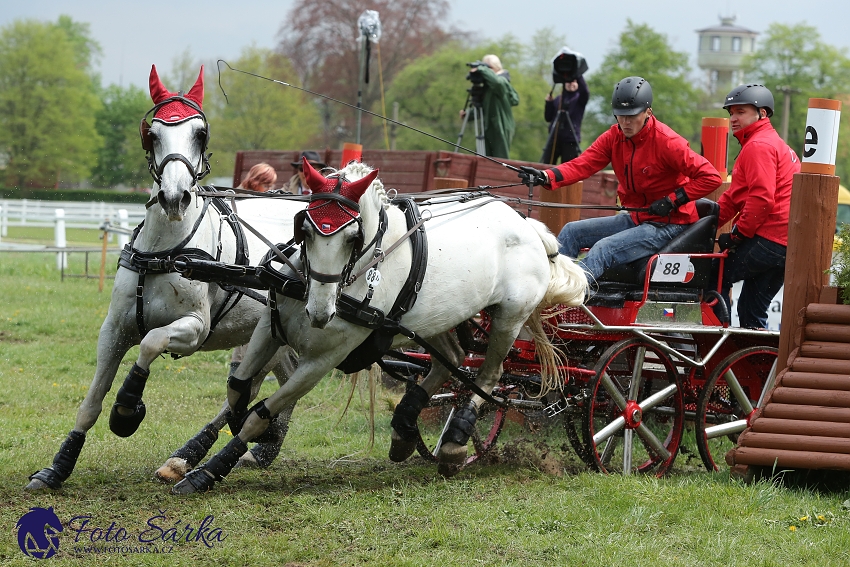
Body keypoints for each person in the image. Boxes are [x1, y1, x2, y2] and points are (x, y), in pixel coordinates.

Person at [518, 76, 723, 284]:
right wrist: (546, 176)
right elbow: (583, 164)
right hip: (637, 218)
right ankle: (544, 291)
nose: (625, 122)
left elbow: (711, 176)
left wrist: (672, 200)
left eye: (632, 116)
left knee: (603, 249)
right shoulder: (613, 137)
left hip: (670, 224)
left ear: (648, 112)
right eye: (620, 115)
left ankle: (565, 296)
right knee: (572, 231)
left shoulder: (669, 142)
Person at [715, 84, 800, 329]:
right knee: (751, 313)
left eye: (740, 112)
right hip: (785, 245)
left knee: (713, 273)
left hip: (769, 239)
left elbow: (762, 199)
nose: (733, 118)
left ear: (762, 114)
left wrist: (738, 234)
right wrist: (707, 223)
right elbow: (735, 197)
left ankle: (717, 347)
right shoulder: (770, 142)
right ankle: (754, 365)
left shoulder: (758, 146)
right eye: (731, 113)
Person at [464, 54, 519, 159]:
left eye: (488, 68)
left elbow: (497, 83)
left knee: (499, 159)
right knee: (482, 157)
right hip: (489, 125)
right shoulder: (489, 87)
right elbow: (485, 107)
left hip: (500, 126)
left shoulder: (501, 81)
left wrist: (481, 68)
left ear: (494, 67)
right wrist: (468, 114)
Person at [543, 75, 589, 164]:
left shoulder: (580, 99)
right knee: (546, 165)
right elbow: (548, 118)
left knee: (569, 169)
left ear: (578, 83)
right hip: (554, 138)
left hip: (571, 140)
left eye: (574, 81)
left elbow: (585, 92)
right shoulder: (558, 99)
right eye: (568, 81)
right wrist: (549, 103)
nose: (571, 84)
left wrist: (577, 73)